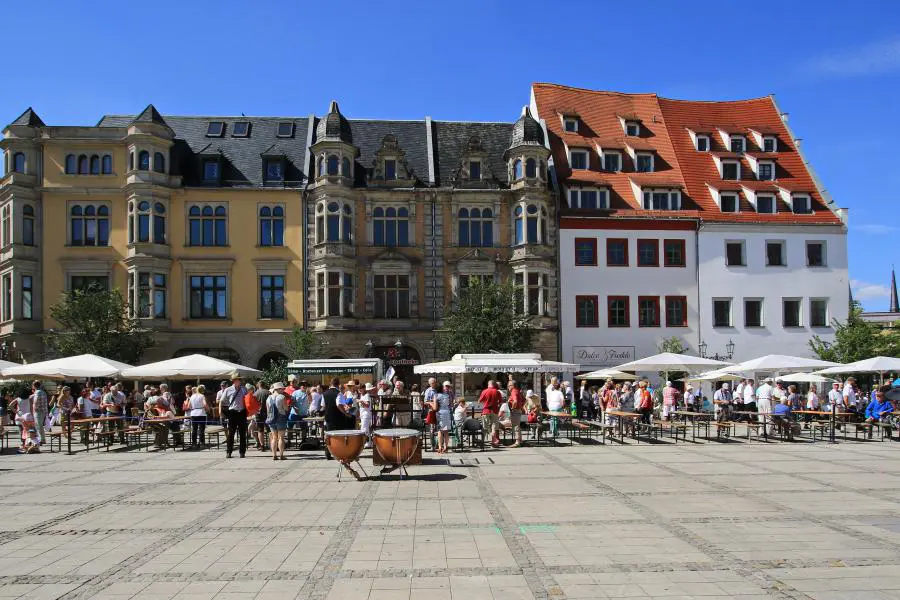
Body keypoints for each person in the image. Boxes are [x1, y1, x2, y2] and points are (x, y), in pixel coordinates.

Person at [323, 377, 351, 460]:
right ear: (338, 384)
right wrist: (346, 413)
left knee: (329, 435)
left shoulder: (325, 393)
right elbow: (339, 405)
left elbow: (323, 406)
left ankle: (327, 453)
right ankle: (339, 453)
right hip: (337, 417)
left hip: (328, 417)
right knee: (339, 436)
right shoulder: (338, 393)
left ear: (331, 383)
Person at [221, 373, 248, 458]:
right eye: (238, 379)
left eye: (240, 379)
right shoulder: (228, 390)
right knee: (231, 433)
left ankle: (242, 452)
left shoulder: (244, 389)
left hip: (242, 413)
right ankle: (229, 452)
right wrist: (220, 412)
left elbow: (247, 400)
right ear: (234, 381)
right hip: (233, 413)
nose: (240, 381)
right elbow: (221, 401)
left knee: (243, 434)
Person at [430, 380, 454, 454]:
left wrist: (431, 404)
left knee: (440, 431)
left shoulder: (436, 395)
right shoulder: (447, 395)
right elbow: (450, 404)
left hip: (440, 413)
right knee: (446, 431)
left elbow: (435, 408)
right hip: (447, 413)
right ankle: (446, 447)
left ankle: (440, 447)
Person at [266, 382, 288, 461]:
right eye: (282, 389)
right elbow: (285, 408)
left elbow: (268, 410)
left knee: (274, 437)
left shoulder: (268, 398)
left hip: (271, 418)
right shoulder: (282, 397)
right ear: (278, 389)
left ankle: (274, 455)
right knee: (281, 438)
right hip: (281, 417)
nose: (283, 390)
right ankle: (281, 455)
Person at [479, 380, 503, 447]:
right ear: (494, 385)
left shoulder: (484, 391)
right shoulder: (497, 392)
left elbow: (479, 401)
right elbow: (500, 402)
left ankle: (482, 441)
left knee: (484, 427)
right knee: (494, 427)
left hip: (486, 411)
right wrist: (497, 405)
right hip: (494, 411)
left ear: (488, 384)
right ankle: (493, 442)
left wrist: (485, 402)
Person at [252, 381, 270, 451]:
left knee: (260, 430)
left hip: (258, 413)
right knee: (270, 430)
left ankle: (262, 446)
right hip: (268, 413)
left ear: (258, 385)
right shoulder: (268, 392)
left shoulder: (255, 394)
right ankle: (271, 444)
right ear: (264, 385)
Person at [507, 380, 524, 448]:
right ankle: (520, 441)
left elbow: (515, 401)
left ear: (513, 386)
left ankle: (517, 442)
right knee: (517, 426)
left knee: (516, 426)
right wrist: (521, 407)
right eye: (508, 385)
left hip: (515, 411)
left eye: (509, 385)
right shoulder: (517, 391)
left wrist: (513, 408)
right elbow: (524, 400)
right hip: (518, 410)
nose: (508, 387)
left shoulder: (514, 391)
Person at [360, 383, 376, 448]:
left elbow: (367, 405)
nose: (360, 390)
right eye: (360, 388)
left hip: (366, 414)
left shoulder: (367, 395)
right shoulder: (362, 395)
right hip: (363, 414)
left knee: (364, 429)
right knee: (366, 429)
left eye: (362, 388)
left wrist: (361, 402)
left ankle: (365, 442)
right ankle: (369, 443)